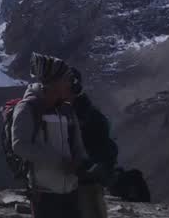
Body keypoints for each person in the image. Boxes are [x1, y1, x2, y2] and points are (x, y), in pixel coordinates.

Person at [11, 53, 87, 218]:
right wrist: (59, 160)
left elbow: (77, 145)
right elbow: (19, 145)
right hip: (44, 193)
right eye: (67, 79)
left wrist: (78, 161)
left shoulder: (67, 109)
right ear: (55, 83)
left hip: (71, 189)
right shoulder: (27, 108)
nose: (70, 84)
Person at [69, 68, 117, 218]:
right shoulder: (85, 112)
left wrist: (90, 168)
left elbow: (104, 149)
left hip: (84, 180)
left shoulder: (90, 116)